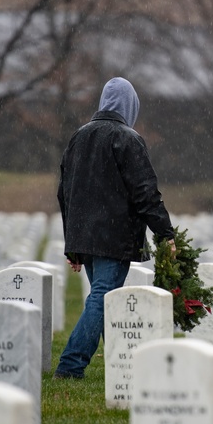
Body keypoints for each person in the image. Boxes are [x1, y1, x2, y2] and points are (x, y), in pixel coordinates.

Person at [54, 76, 175, 379]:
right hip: (114, 235)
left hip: (85, 235)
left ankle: (122, 364)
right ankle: (70, 365)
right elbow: (146, 193)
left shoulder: (78, 136)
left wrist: (73, 243)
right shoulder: (127, 138)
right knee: (104, 297)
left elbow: (65, 192)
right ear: (129, 107)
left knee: (102, 298)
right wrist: (166, 234)